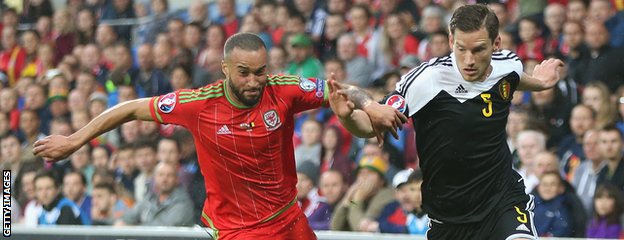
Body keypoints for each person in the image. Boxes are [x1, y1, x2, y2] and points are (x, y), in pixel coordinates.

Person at [33, 33, 331, 239]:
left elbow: (341, 92)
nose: (254, 81)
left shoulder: (282, 90)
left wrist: (376, 108)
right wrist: (75, 140)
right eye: (244, 72)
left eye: (260, 71)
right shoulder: (199, 104)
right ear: (225, 68)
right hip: (239, 231)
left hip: (289, 218)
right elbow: (131, 109)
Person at [328, 4, 564, 239]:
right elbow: (370, 126)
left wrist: (539, 83)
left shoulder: (507, 64)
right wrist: (346, 116)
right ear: (451, 41)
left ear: (496, 44)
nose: (469, 60)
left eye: (479, 49)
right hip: (449, 216)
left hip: (502, 200)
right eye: (461, 49)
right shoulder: (427, 80)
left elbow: (514, 78)